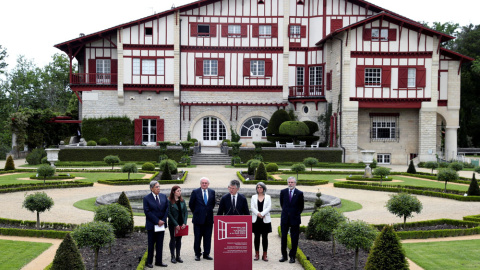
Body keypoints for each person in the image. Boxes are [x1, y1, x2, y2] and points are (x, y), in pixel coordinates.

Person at [143, 180, 169, 268]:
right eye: (156, 187)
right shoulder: (146, 198)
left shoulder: (163, 196)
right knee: (151, 244)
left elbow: (167, 209)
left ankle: (159, 261)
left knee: (160, 244)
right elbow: (147, 212)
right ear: (151, 189)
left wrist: (163, 220)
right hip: (152, 225)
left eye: (159, 186)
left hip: (161, 225)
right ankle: (149, 262)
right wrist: (157, 221)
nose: (158, 188)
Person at [189, 177, 215, 261]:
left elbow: (213, 204)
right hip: (198, 220)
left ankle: (206, 254)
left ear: (208, 184)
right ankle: (197, 254)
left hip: (209, 220)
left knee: (208, 238)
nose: (204, 184)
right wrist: (197, 212)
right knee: (197, 238)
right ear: (200, 184)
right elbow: (191, 204)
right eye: (202, 183)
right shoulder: (195, 192)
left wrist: (207, 212)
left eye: (206, 183)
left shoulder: (212, 192)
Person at [279, 176, 304, 264]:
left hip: (295, 219)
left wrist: (294, 214)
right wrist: (287, 213)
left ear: (295, 183)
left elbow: (301, 207)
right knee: (284, 238)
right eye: (289, 182)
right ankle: (284, 256)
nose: (290, 184)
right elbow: (282, 204)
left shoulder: (299, 193)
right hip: (285, 218)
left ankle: (292, 256)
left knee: (294, 239)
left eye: (292, 182)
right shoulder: (283, 192)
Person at [251, 182, 272, 262]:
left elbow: (269, 207)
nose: (259, 188)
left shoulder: (268, 197)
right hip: (256, 220)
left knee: (265, 238)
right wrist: (258, 214)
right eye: (258, 187)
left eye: (261, 187)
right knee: (256, 237)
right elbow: (252, 207)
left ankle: (265, 254)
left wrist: (262, 214)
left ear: (264, 188)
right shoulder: (253, 197)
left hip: (265, 220)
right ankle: (257, 254)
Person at [167, 185, 188, 264]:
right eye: (178, 191)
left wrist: (184, 223)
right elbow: (169, 213)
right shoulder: (169, 201)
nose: (180, 192)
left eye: (180, 190)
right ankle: (172, 256)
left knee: (179, 240)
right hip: (173, 224)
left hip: (181, 223)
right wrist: (176, 224)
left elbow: (186, 212)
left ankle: (178, 256)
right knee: (173, 239)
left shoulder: (182, 201)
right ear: (173, 192)